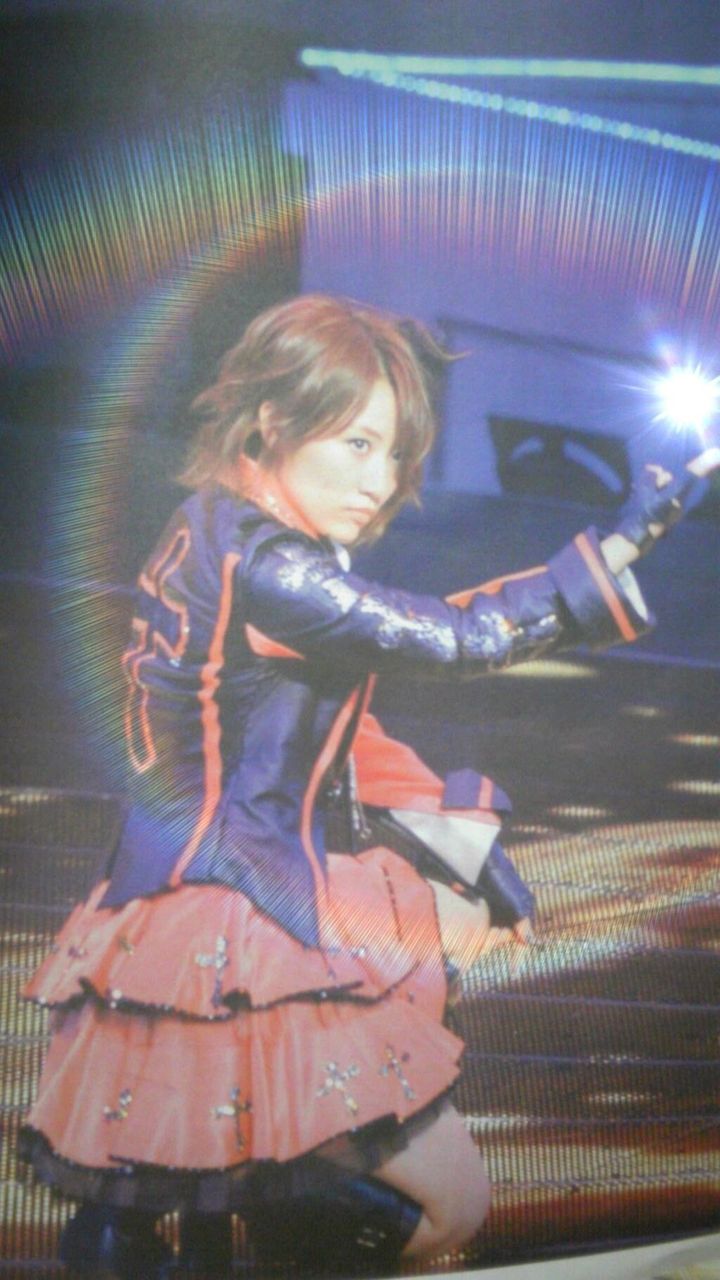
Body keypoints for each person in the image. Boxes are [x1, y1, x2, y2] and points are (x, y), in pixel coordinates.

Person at [18, 294, 707, 1279]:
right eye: (357, 443)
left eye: (395, 453)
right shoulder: (267, 563)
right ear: (272, 420)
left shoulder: (218, 528)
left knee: (197, 1201)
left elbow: (351, 701)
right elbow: (447, 636)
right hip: (239, 925)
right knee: (438, 1206)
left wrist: (453, 836)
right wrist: (615, 551)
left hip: (183, 907)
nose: (381, 481)